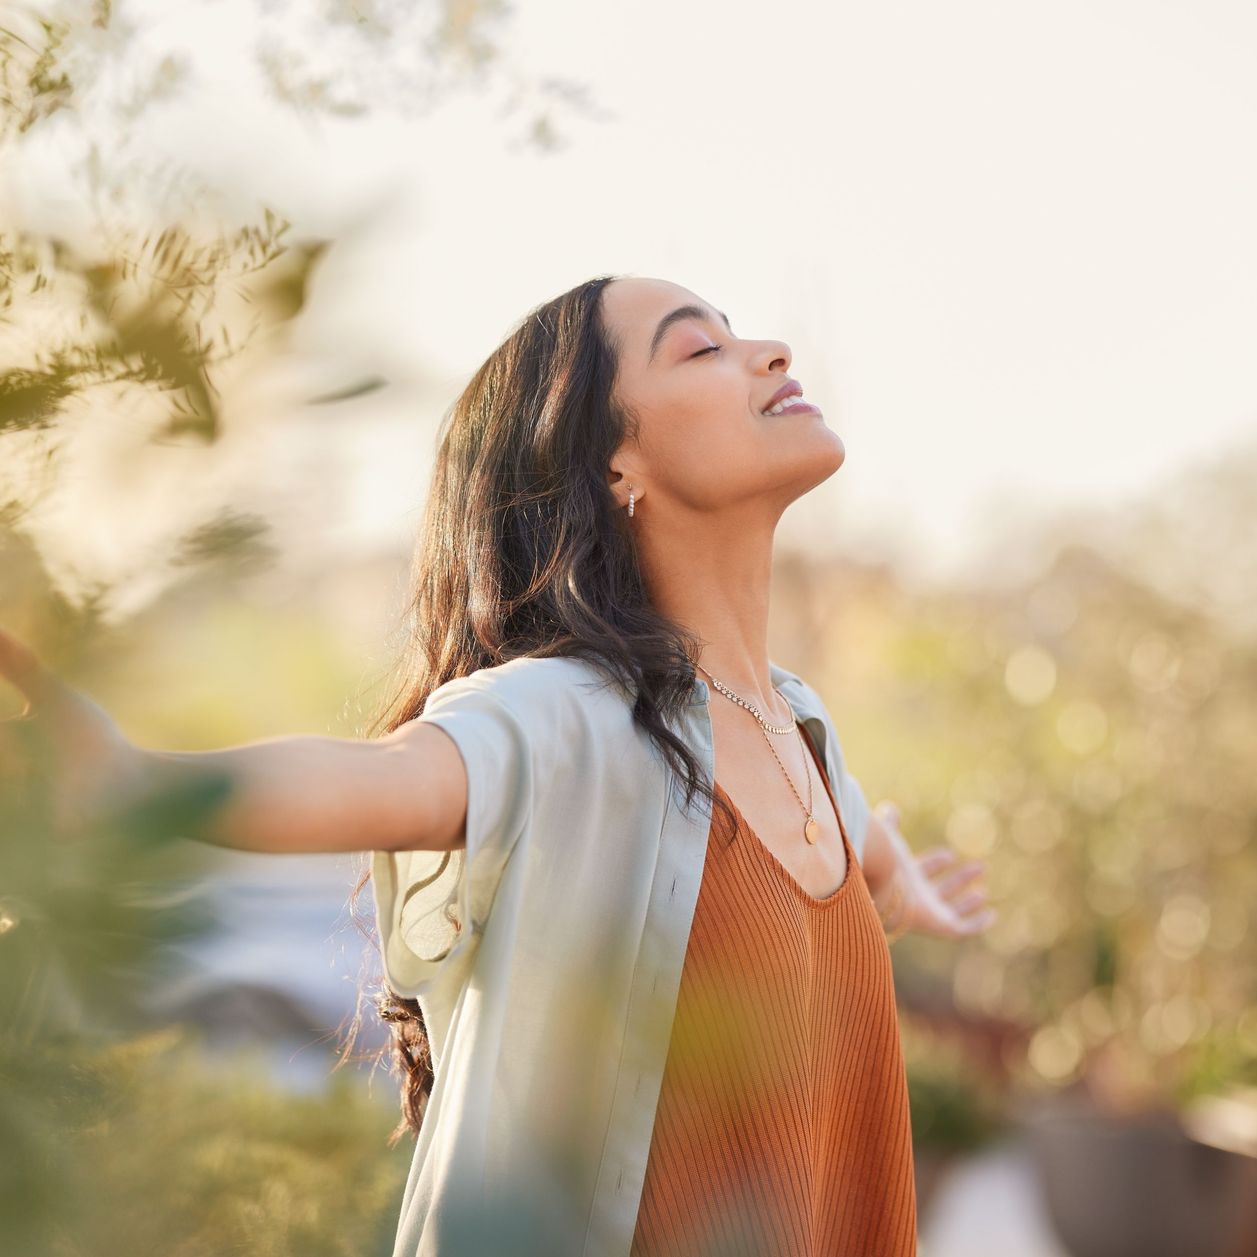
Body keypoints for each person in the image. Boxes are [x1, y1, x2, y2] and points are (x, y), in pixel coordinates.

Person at [0, 274, 996, 1257]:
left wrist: (894, 881)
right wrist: (135, 787)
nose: (770, 352)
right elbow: (390, 781)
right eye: (701, 347)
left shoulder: (803, 730)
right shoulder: (571, 715)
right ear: (615, 468)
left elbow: (848, 844)